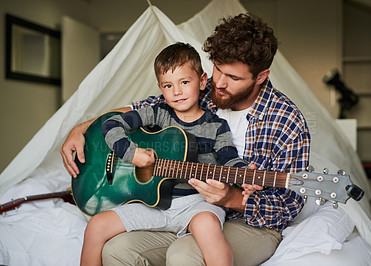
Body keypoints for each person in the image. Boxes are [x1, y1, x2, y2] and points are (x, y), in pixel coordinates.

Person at [61, 13, 311, 266]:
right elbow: (134, 112)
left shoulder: (287, 121)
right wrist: (81, 129)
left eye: (233, 78)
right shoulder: (197, 91)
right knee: (116, 249)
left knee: (185, 255)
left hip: (246, 221)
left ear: (260, 76)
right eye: (218, 70)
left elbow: (288, 205)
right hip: (170, 202)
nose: (220, 83)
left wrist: (233, 198)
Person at [80, 42, 249, 266]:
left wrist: (246, 174)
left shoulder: (216, 126)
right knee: (96, 226)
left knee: (208, 226)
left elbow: (230, 159)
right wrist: (132, 154)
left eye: (185, 82)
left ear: (202, 81)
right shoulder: (157, 113)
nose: (176, 91)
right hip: (154, 205)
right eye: (168, 86)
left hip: (196, 204)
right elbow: (111, 124)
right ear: (160, 88)